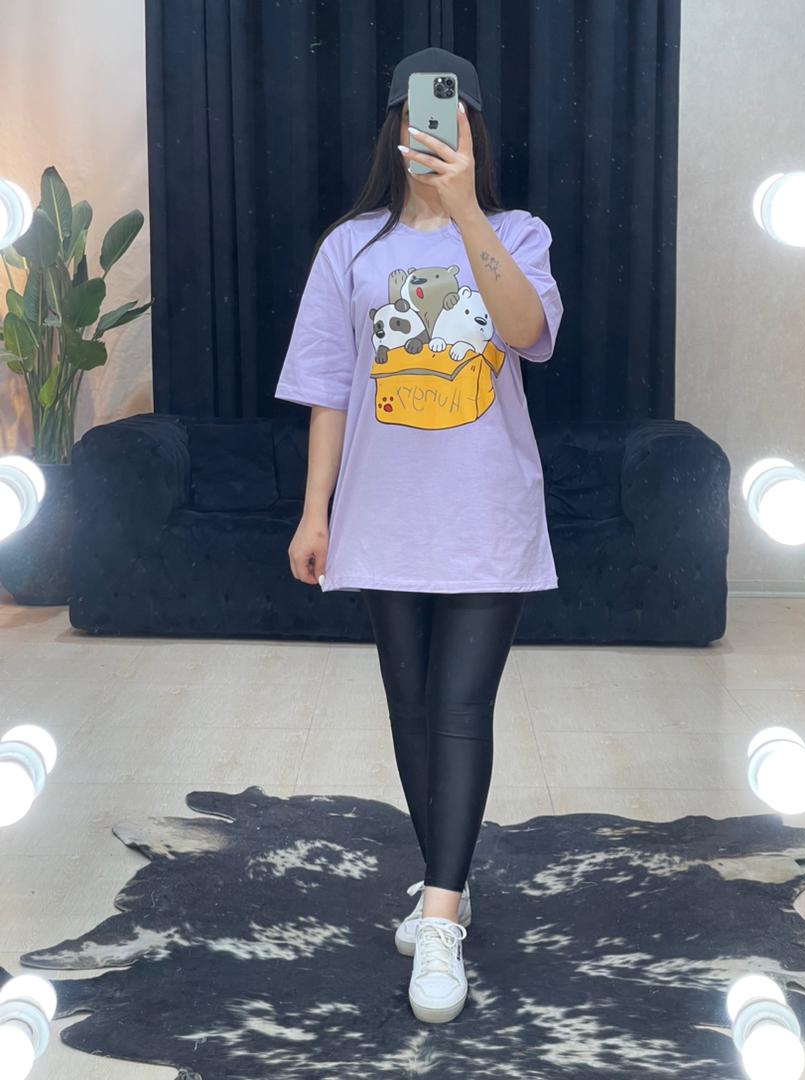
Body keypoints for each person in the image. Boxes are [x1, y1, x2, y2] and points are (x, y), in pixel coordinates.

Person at [274, 47, 564, 1024]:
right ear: (395, 130)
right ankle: (450, 878)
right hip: (383, 512)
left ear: (474, 131)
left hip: (487, 511)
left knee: (459, 708)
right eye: (420, 116)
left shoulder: (517, 233)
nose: (436, 132)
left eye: (454, 118)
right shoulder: (350, 250)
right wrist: (315, 512)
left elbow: (523, 332)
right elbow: (327, 388)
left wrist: (469, 211)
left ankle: (439, 918)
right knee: (410, 710)